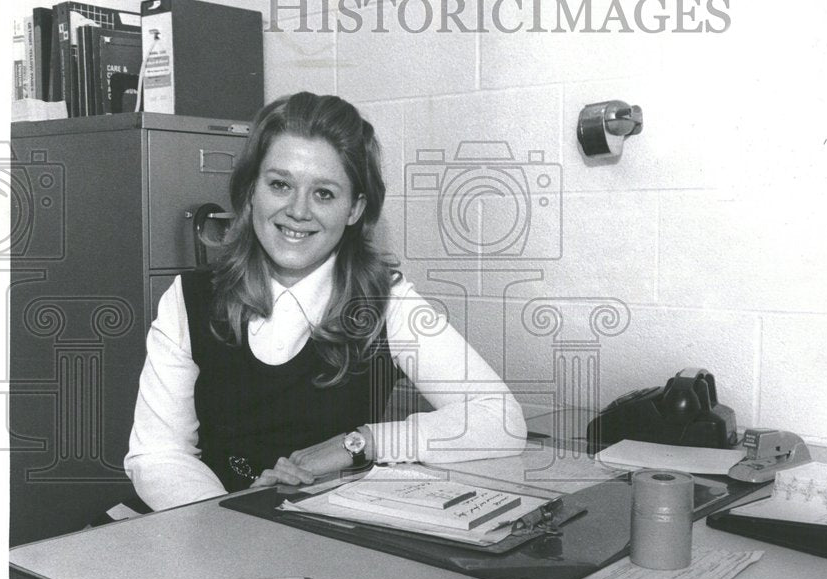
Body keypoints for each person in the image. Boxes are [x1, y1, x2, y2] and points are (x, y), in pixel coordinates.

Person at [124, 92, 526, 511]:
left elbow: (500, 419)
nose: (298, 211)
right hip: (203, 520)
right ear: (250, 192)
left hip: (320, 537)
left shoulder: (387, 301)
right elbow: (158, 454)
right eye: (280, 185)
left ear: (354, 209)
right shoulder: (190, 298)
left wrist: (360, 443)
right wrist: (230, 515)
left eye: (324, 194)